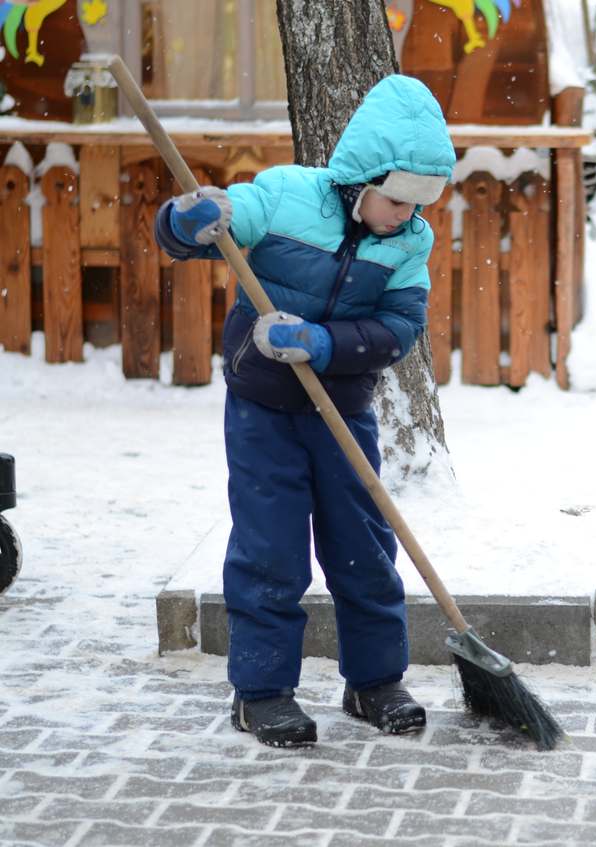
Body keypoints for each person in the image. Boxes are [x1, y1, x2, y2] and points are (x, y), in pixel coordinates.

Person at [154, 75, 455, 747]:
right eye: (396, 199)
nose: (405, 215)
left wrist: (323, 343)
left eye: (419, 203)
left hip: (342, 410)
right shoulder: (287, 196)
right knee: (271, 549)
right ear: (361, 178)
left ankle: (374, 682)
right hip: (262, 410)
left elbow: (398, 329)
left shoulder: (409, 243)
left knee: (363, 549)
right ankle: (262, 693)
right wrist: (186, 220)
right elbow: (214, 226)